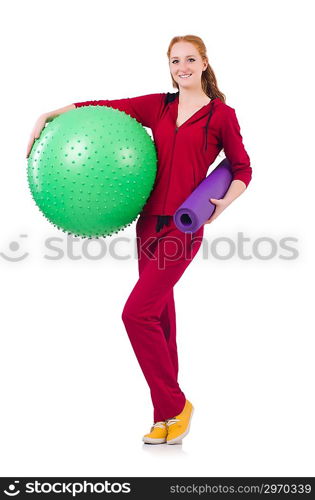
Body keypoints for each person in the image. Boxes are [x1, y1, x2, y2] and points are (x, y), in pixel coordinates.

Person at [26, 34, 252, 446]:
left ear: (203, 63)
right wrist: (51, 115)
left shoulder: (222, 115)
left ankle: (175, 406)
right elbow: (109, 107)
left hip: (184, 227)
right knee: (160, 320)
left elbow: (242, 167)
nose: (181, 67)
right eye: (174, 61)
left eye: (188, 60)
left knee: (136, 314)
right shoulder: (160, 106)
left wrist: (221, 204)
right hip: (147, 225)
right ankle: (165, 418)